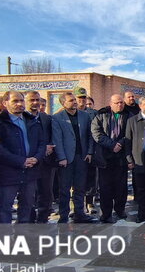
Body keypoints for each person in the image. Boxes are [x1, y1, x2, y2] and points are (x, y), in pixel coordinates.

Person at [0, 91, 45, 224]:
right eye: (15, 101)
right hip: (8, 172)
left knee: (26, 206)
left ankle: (22, 236)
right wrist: (21, 161)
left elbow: (42, 143)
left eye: (21, 101)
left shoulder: (32, 121)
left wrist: (36, 158)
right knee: (4, 208)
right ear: (5, 103)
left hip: (30, 171)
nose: (20, 104)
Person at [52, 92, 97, 223]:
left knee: (80, 188)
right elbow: (57, 139)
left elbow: (90, 135)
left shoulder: (84, 116)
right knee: (65, 189)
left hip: (81, 157)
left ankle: (79, 213)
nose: (74, 102)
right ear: (63, 103)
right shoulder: (57, 118)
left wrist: (89, 152)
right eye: (71, 100)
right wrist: (61, 157)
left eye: (74, 100)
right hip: (66, 159)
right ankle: (64, 216)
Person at [92, 94, 131, 223]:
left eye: (121, 102)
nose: (119, 105)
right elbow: (97, 133)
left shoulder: (128, 115)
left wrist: (120, 143)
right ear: (110, 103)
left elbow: (130, 132)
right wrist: (112, 145)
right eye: (116, 103)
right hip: (105, 157)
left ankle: (120, 210)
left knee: (121, 187)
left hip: (121, 157)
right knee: (105, 187)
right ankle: (106, 213)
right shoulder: (101, 114)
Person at [24, 91, 56, 223]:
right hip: (28, 161)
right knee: (28, 193)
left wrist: (50, 146)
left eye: (37, 100)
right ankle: (29, 219)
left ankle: (43, 219)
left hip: (46, 162)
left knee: (46, 191)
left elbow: (52, 134)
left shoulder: (45, 118)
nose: (35, 103)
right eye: (32, 100)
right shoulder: (21, 118)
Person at [75, 87, 98, 215]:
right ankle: (76, 206)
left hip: (90, 151)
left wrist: (91, 151)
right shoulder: (66, 113)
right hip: (75, 152)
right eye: (79, 98)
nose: (82, 101)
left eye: (84, 98)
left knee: (90, 179)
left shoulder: (93, 113)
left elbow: (94, 133)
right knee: (75, 181)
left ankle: (90, 202)